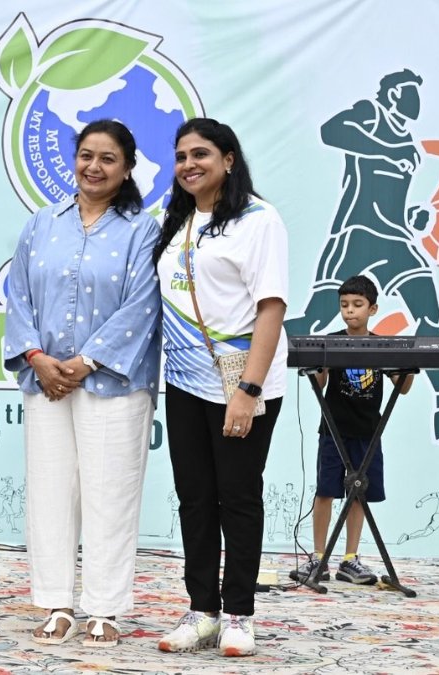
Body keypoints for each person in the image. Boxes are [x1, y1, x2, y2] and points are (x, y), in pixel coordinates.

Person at [0, 120, 161, 648]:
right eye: (86, 155)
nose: (94, 167)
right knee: (50, 491)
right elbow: (18, 294)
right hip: (45, 379)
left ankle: (104, 607)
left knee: (110, 493)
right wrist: (37, 357)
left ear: (127, 168)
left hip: (114, 382)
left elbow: (143, 304)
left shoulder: (142, 229)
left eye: (108, 159)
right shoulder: (42, 224)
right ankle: (57, 603)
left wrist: (88, 361)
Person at [153, 118, 289, 657]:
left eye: (201, 154)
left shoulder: (258, 219)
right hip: (184, 380)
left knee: (238, 497)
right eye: (181, 156)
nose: (189, 164)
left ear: (229, 160)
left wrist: (248, 391)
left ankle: (239, 614)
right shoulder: (178, 221)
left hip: (242, 383)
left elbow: (271, 308)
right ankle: (202, 610)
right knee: (194, 499)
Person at [286, 71, 439, 443]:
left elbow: (386, 196)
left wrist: (412, 216)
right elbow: (331, 131)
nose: (416, 102)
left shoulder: (409, 141)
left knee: (429, 314)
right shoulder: (371, 113)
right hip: (357, 231)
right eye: (410, 93)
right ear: (393, 95)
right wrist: (389, 151)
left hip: (396, 239)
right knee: (315, 319)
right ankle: (253, 346)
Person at [290, 275, 413, 585]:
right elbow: (319, 384)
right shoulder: (330, 341)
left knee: (359, 492)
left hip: (367, 433)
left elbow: (403, 387)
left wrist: (408, 363)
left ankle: (350, 559)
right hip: (333, 431)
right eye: (344, 305)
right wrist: (319, 363)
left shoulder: (382, 346)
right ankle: (318, 557)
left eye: (357, 305)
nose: (350, 310)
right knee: (325, 491)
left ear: (372, 309)